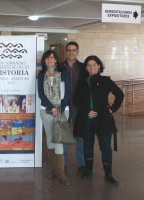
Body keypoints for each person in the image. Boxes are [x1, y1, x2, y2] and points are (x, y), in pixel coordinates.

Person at [73, 55, 124, 185]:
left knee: (105, 147)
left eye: (95, 65)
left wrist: (112, 109)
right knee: (87, 146)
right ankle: (88, 170)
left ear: (99, 66)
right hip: (86, 119)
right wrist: (86, 110)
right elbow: (76, 100)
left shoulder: (106, 81)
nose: (92, 67)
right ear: (86, 67)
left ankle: (108, 174)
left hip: (103, 119)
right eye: (89, 65)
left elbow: (120, 94)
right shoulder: (81, 82)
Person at [38, 50, 71, 186]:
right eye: (47, 58)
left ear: (56, 60)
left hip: (63, 110)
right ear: (44, 61)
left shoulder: (63, 73)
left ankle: (61, 172)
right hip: (46, 110)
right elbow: (41, 93)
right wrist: (52, 107)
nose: (50, 60)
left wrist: (60, 108)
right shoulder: (41, 74)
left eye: (52, 57)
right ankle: (53, 169)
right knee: (50, 139)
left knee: (59, 140)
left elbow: (67, 92)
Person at [62, 41, 86, 174]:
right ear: (66, 52)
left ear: (77, 52)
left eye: (74, 50)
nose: (71, 52)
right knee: (64, 136)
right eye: (69, 50)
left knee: (80, 136)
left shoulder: (83, 68)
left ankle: (81, 163)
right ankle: (63, 163)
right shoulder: (59, 67)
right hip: (64, 107)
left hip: (79, 108)